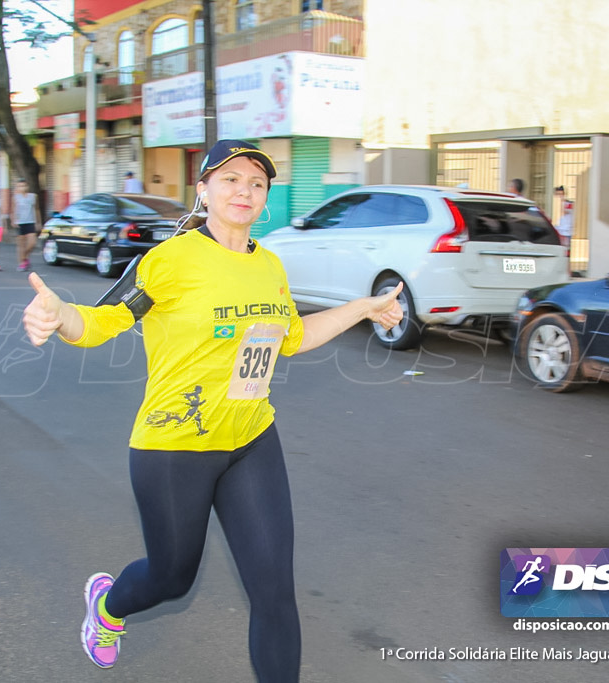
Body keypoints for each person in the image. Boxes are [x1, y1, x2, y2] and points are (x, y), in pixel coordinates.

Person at [22, 139, 404, 679]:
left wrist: (363, 307)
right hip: (174, 446)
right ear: (203, 190)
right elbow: (102, 321)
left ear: (267, 196)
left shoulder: (269, 265)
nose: (243, 190)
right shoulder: (168, 261)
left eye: (256, 182)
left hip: (251, 440)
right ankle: (107, 608)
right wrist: (59, 315)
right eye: (229, 179)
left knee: (274, 593)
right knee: (171, 578)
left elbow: (291, 336)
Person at [12, 178, 41, 272]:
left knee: (32, 242)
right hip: (20, 222)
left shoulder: (33, 196)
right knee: (21, 244)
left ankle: (24, 257)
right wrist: (13, 220)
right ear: (17, 187)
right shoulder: (15, 197)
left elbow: (36, 210)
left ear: (27, 186)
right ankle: (22, 263)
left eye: (24, 185)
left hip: (30, 221)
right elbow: (13, 210)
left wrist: (38, 222)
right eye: (20, 186)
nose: (22, 188)